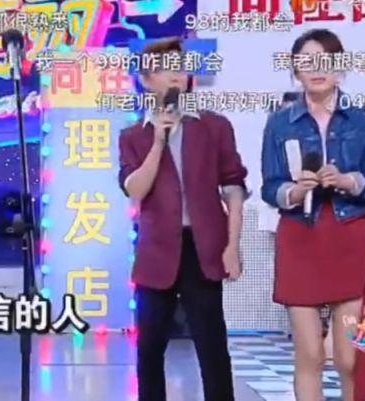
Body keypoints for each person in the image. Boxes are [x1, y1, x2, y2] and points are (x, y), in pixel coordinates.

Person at [260, 29, 365, 401]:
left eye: (325, 61)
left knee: (348, 357)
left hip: (349, 240)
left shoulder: (364, 119)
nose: (316, 69)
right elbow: (270, 186)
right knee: (310, 354)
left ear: (340, 67)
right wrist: (296, 191)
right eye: (306, 62)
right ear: (295, 70)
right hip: (301, 239)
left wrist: (348, 181)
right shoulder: (280, 123)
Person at [118, 37, 247, 401]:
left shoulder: (214, 126)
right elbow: (135, 189)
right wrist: (158, 142)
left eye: (181, 67)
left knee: (211, 345)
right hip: (156, 250)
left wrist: (232, 246)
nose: (176, 75)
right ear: (146, 80)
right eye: (165, 69)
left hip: (203, 247)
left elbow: (234, 187)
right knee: (149, 348)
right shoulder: (134, 136)